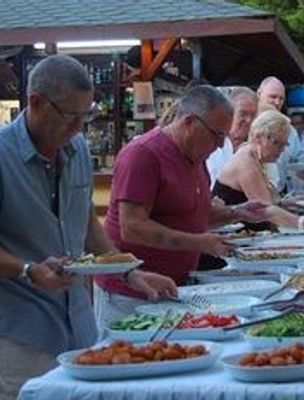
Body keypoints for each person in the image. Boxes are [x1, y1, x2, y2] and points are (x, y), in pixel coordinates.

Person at [0, 55, 176, 400]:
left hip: (80, 328)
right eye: (70, 116)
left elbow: (85, 225)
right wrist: (27, 270)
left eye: (87, 115)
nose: (79, 127)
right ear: (35, 102)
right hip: (21, 336)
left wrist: (128, 271)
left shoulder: (76, 148)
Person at [94, 85, 266, 330]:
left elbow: (195, 216)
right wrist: (197, 242)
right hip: (130, 292)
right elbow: (132, 227)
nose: (220, 145)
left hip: (175, 288)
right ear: (189, 123)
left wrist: (237, 212)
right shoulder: (143, 155)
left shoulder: (196, 159)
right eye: (216, 135)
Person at [213, 109, 304, 231]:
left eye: (284, 145)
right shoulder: (246, 163)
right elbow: (265, 209)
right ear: (259, 137)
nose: (281, 150)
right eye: (277, 143)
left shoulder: (253, 157)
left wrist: (286, 204)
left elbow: (264, 202)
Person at [257, 76, 302, 193]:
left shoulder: (290, 130)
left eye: (281, 98)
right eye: (272, 97)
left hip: (277, 193)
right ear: (259, 94)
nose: (277, 102)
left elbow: (294, 163)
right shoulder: (249, 125)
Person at [206, 86, 258, 187]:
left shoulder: (257, 146)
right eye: (243, 113)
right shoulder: (213, 146)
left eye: (253, 115)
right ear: (229, 114)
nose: (249, 120)